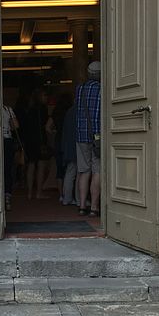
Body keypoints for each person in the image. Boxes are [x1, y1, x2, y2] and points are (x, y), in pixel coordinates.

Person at [75, 61, 101, 216]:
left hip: (81, 135)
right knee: (97, 171)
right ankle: (94, 208)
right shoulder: (102, 89)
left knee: (84, 171)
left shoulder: (80, 89)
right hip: (98, 136)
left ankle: (82, 205)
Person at [18, 88, 51, 199]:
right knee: (41, 166)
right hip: (39, 140)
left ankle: (29, 193)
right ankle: (39, 192)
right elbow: (44, 127)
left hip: (29, 141)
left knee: (31, 165)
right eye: (45, 95)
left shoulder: (29, 109)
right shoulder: (42, 109)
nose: (47, 98)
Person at [1, 102, 19, 211]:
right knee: (7, 169)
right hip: (7, 139)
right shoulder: (7, 109)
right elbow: (16, 125)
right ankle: (7, 197)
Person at [61, 102, 78, 206]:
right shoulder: (77, 111)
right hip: (76, 145)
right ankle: (78, 199)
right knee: (78, 172)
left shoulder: (70, 111)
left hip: (69, 145)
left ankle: (67, 198)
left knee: (71, 172)